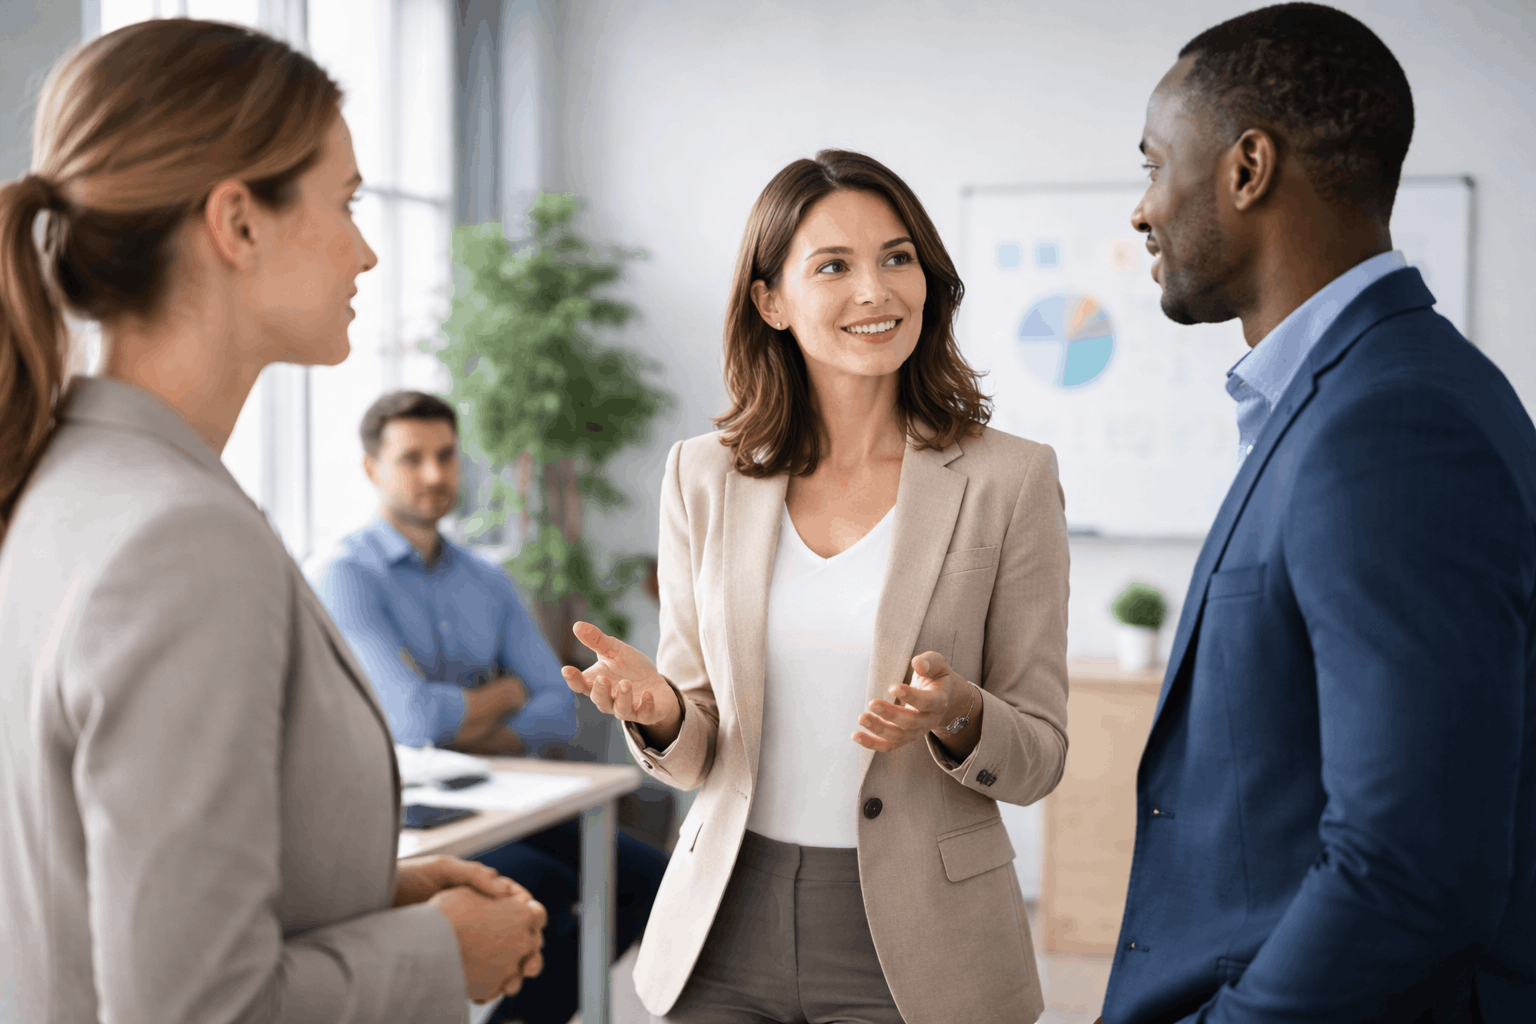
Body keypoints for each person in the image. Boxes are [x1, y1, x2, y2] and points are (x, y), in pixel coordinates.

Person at [0, 19, 547, 1023]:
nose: (368, 249)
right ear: (239, 224)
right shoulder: (176, 539)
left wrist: (365, 901)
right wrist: (433, 952)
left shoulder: (65, 479)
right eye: (344, 204)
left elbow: (101, 890)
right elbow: (196, 1006)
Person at [561, 150, 1071, 1024]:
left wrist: (957, 712)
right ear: (770, 301)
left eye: (897, 258)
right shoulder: (701, 475)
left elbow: (1040, 756)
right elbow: (698, 740)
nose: (875, 290)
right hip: (725, 916)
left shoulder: (1008, 480)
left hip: (920, 939)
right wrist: (659, 713)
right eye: (833, 266)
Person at [1103, 5, 1536, 1022]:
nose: (1141, 211)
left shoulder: (1395, 421)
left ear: (1247, 168)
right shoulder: (1364, 393)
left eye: (1153, 165)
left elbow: (1410, 864)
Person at [310, 389, 667, 1024]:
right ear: (372, 469)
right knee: (546, 889)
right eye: (412, 458)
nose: (434, 475)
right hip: (403, 816)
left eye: (446, 456)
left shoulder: (485, 578)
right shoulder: (344, 576)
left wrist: (469, 725)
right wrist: (504, 695)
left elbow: (558, 707)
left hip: (503, 793)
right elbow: (412, 721)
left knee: (648, 878)